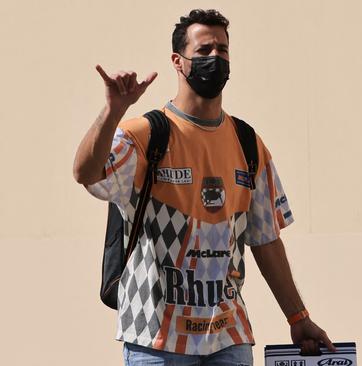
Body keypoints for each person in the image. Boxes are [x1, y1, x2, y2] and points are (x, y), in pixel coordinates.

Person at [73, 8, 335, 365]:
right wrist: (112, 111)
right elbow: (86, 173)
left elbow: (266, 239)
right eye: (205, 51)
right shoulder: (145, 134)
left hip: (229, 338)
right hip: (156, 340)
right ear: (178, 62)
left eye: (223, 50)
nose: (216, 58)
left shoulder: (247, 143)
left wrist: (298, 318)